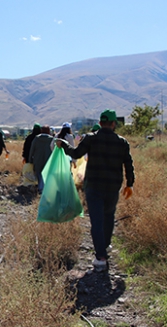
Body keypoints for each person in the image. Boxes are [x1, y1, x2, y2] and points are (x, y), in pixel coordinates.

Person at [57, 110, 134, 272]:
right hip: (113, 187)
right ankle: (104, 247)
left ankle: (101, 256)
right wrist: (130, 184)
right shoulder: (122, 142)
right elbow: (128, 164)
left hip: (94, 186)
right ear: (113, 124)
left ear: (101, 122)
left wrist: (63, 145)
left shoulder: (91, 139)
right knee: (108, 217)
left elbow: (76, 153)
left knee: (97, 221)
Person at [28, 125, 54, 193]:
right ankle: (43, 188)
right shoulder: (51, 139)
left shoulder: (36, 138)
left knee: (39, 173)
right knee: (46, 174)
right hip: (48, 160)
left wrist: (30, 159)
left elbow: (32, 150)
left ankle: (40, 188)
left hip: (37, 159)